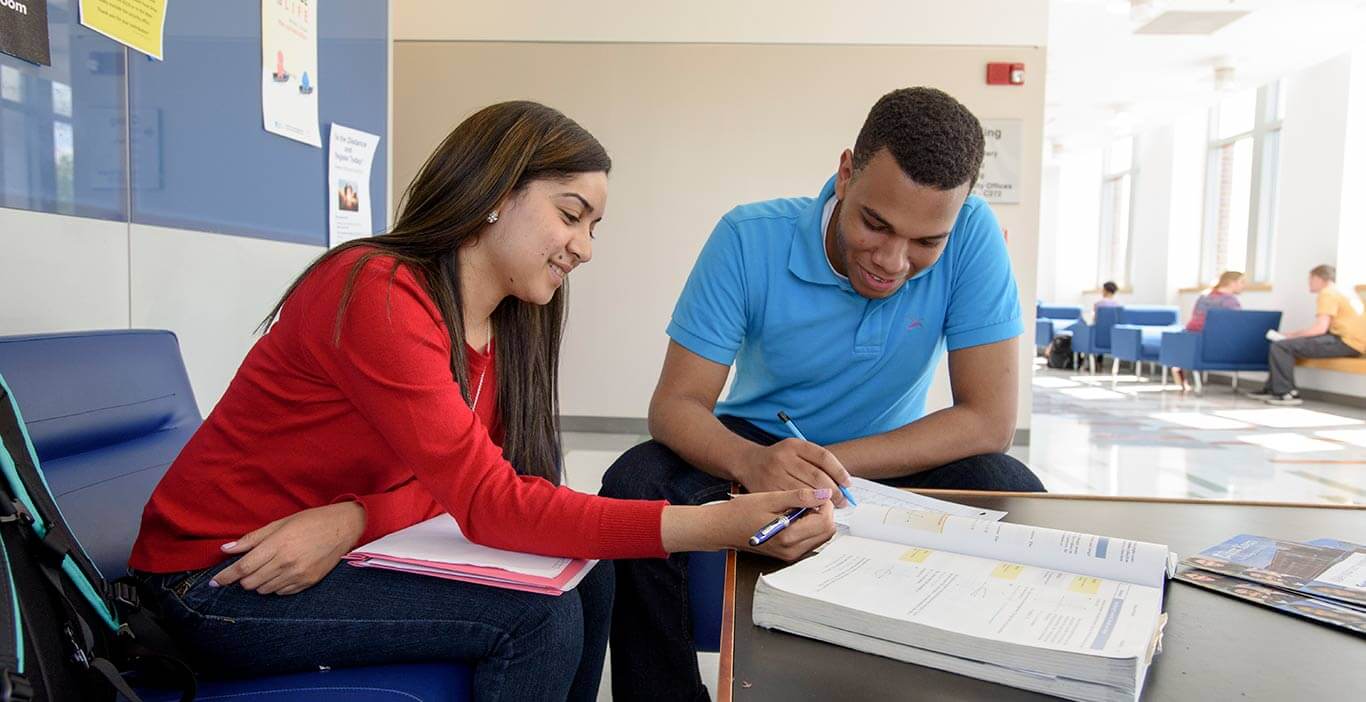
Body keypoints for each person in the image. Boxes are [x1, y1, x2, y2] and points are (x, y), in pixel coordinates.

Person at [128, 101, 836, 701]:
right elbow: (490, 504)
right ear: (496, 191)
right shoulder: (376, 291)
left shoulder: (501, 328)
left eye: (595, 228)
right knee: (536, 619)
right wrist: (712, 523)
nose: (585, 248)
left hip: (331, 551)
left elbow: (463, 491)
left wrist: (356, 517)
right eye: (571, 215)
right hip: (212, 576)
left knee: (588, 580)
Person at [598, 87, 1045, 701]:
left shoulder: (973, 234)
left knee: (1012, 487)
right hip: (759, 446)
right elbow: (675, 404)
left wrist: (821, 476)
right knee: (634, 482)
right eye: (875, 224)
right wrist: (756, 463)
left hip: (882, 458)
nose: (892, 261)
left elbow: (987, 421)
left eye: (926, 243)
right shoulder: (747, 238)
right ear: (844, 173)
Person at [1247, 264, 1366, 406]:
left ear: (1320, 278)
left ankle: (1286, 393)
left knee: (1281, 346)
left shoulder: (1327, 293)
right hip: (1352, 342)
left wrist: (1289, 335)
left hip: (1347, 343)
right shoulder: (1345, 292)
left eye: (1310, 279)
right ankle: (1272, 388)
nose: (1309, 283)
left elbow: (1320, 329)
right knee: (1284, 345)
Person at [1171, 271, 1245, 389]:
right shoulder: (1230, 301)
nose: (1244, 285)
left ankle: (1180, 364)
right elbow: (1237, 324)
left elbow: (1195, 316)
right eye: (1242, 282)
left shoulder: (1204, 296)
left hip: (1191, 334)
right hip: (1214, 339)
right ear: (1231, 283)